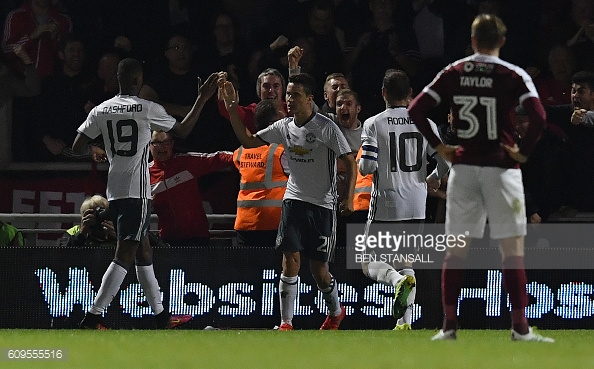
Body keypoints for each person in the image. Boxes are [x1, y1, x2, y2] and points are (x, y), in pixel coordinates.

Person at [408, 14, 554, 342]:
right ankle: (519, 328)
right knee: (512, 250)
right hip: (501, 168)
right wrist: (522, 151)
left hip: (464, 169)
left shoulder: (454, 71)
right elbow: (539, 116)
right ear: (502, 41)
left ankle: (448, 326)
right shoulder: (513, 74)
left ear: (473, 41)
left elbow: (416, 109)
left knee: (456, 249)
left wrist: (440, 147)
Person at [72, 57, 221, 329]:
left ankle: (162, 317)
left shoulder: (101, 110)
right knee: (125, 253)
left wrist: (95, 149)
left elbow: (77, 146)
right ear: (139, 80)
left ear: (118, 79)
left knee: (143, 251)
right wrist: (201, 99)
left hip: (115, 189)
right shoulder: (146, 108)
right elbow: (184, 130)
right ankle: (92, 318)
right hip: (137, 192)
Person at [220, 73, 357, 331]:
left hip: (322, 206)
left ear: (309, 99)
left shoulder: (325, 127)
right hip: (293, 201)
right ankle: (286, 323)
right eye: (288, 95)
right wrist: (231, 109)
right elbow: (248, 141)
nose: (289, 100)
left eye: (295, 95)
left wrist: (348, 198)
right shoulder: (284, 126)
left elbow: (349, 161)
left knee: (319, 271)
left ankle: (337, 311)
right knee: (290, 259)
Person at [359, 69, 449, 330]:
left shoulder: (374, 123)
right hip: (416, 203)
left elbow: (366, 166)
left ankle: (396, 281)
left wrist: (368, 165)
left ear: (384, 93)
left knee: (367, 262)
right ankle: (405, 322)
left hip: (387, 202)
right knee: (405, 259)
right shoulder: (426, 123)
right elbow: (445, 161)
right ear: (410, 95)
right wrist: (433, 177)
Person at [149, 129, 235, 246]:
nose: (162, 147)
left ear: (172, 144)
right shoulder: (143, 175)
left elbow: (218, 158)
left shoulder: (187, 162)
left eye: (166, 142)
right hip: (167, 240)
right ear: (149, 145)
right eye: (157, 143)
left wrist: (246, 156)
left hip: (198, 238)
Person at [233, 99, 289, 247]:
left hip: (245, 223)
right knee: (280, 269)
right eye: (283, 118)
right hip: (273, 224)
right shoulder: (282, 151)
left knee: (248, 270)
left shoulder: (240, 151)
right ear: (273, 125)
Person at [1, 0, 72, 79]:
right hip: (19, 81)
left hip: (52, 82)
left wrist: (54, 38)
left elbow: (70, 58)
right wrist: (31, 38)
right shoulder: (15, 16)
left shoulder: (64, 21)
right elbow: (5, 51)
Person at [218, 67, 288, 134]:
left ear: (282, 89)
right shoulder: (252, 112)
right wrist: (222, 92)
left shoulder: (291, 109)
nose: (271, 90)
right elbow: (229, 110)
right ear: (259, 90)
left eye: (276, 86)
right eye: (266, 86)